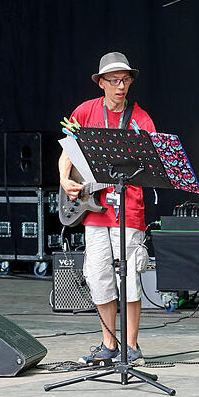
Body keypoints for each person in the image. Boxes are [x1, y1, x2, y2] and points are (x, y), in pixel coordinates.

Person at [59, 52, 155, 366]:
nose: (120, 86)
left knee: (128, 279)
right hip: (94, 211)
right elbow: (68, 150)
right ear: (101, 83)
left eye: (124, 80)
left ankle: (132, 347)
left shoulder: (140, 119)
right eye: (113, 80)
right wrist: (64, 179)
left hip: (128, 209)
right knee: (99, 276)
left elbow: (151, 165)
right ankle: (109, 344)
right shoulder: (85, 111)